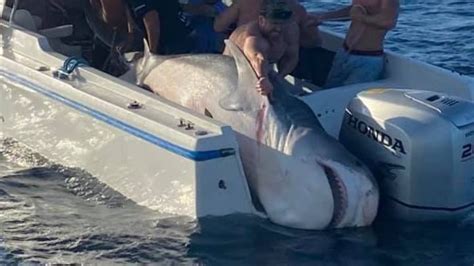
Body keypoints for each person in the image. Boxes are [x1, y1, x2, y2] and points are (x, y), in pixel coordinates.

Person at [313, 0, 399, 88]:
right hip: (344, 53)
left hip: (367, 59)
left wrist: (362, 18)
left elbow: (388, 21)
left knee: (349, 97)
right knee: (329, 91)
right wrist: (323, 17)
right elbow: (352, 11)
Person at [224, 0, 298, 96]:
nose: (279, 28)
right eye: (274, 23)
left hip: (265, 69)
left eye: (283, 24)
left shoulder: (291, 30)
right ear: (262, 20)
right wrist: (263, 78)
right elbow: (258, 57)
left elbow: (292, 56)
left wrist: (280, 76)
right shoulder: (252, 35)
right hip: (231, 70)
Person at [214, 0, 321, 49]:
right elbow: (313, 42)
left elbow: (218, 26)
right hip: (247, 59)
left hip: (268, 65)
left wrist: (309, 29)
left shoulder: (244, 3)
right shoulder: (298, 9)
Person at [125, 0, 194, 54]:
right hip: (179, 35)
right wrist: (130, 40)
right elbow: (130, 18)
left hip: (172, 41)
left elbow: (151, 18)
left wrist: (152, 52)